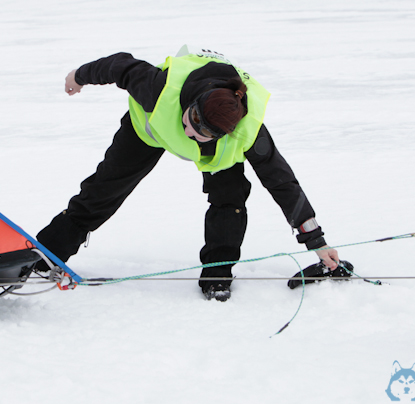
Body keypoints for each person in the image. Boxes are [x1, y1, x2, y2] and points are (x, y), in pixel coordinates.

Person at [36, 48, 340, 301]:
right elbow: (118, 65)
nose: (188, 130)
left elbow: (282, 182)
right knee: (103, 190)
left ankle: (217, 276)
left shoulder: (247, 133)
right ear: (194, 101)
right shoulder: (158, 87)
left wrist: (316, 240)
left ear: (225, 133)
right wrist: (78, 76)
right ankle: (46, 254)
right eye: (193, 117)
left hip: (216, 156)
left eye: (202, 131)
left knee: (230, 198)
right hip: (148, 130)